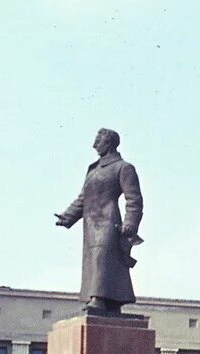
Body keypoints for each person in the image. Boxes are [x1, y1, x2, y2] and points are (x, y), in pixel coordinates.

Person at [54, 128, 144, 315]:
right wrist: (68, 216)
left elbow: (134, 199)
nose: (94, 145)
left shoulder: (123, 167)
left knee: (102, 259)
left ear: (109, 143)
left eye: (98, 141)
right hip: (90, 223)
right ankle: (108, 301)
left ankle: (99, 299)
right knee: (94, 261)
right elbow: (83, 198)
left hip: (108, 221)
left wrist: (130, 223)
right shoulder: (93, 170)